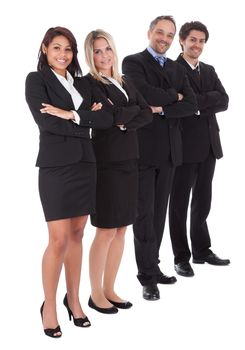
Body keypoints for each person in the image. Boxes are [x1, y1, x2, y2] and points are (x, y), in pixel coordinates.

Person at [25, 26, 113, 337]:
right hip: (56, 168)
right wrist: (81, 116)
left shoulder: (82, 83)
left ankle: (73, 299)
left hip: (86, 164)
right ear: (45, 48)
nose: (63, 54)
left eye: (69, 49)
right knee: (58, 239)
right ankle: (49, 305)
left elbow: (103, 120)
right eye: (57, 48)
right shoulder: (36, 81)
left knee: (78, 233)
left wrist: (71, 114)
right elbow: (46, 123)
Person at [122, 16, 197, 301]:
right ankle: (147, 278)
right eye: (160, 33)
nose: (165, 39)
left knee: (159, 214)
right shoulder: (133, 62)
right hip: (142, 151)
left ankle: (153, 266)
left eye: (170, 34)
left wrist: (164, 107)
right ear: (150, 32)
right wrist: (173, 96)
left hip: (169, 153)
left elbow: (190, 104)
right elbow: (142, 94)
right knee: (144, 215)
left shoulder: (178, 68)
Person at [83, 29, 153, 313]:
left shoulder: (124, 81)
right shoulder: (88, 83)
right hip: (107, 162)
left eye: (107, 49)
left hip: (129, 160)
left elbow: (146, 112)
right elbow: (103, 118)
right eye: (97, 51)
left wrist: (121, 119)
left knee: (122, 228)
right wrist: (123, 115)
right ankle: (95, 293)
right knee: (106, 229)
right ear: (90, 54)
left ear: (114, 50)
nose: (103, 55)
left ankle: (110, 287)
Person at [168, 21, 230, 277]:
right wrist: (203, 101)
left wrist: (194, 102)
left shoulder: (209, 69)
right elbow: (178, 104)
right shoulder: (172, 70)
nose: (197, 45)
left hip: (208, 146)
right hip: (183, 147)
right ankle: (181, 257)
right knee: (180, 203)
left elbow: (224, 100)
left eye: (202, 41)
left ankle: (202, 250)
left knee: (203, 201)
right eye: (193, 39)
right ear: (181, 40)